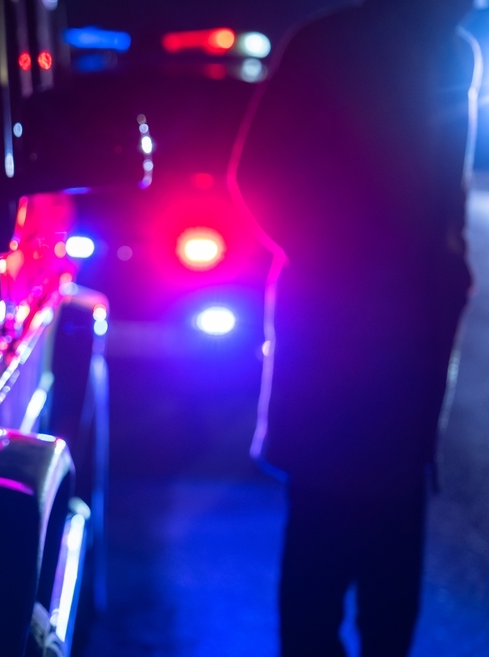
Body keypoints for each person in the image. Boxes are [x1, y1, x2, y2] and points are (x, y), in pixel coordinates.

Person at [229, 0, 480, 655]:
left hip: (407, 335)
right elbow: (258, 173)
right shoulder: (333, 45)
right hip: (339, 327)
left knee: (383, 539)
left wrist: (447, 267)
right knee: (328, 525)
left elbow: (443, 196)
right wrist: (340, 259)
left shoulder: (454, 51)